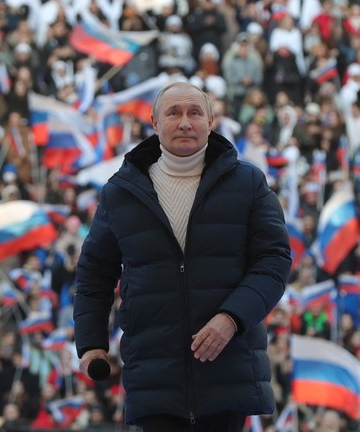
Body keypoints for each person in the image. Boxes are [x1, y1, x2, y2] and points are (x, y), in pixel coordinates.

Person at [73, 81, 291, 431]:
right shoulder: (120, 192)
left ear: (211, 121)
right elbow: (93, 275)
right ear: (155, 123)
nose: (185, 122)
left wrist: (231, 318)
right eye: (174, 113)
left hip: (227, 372)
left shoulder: (248, 182)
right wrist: (91, 344)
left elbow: (274, 261)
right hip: (153, 379)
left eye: (195, 113)